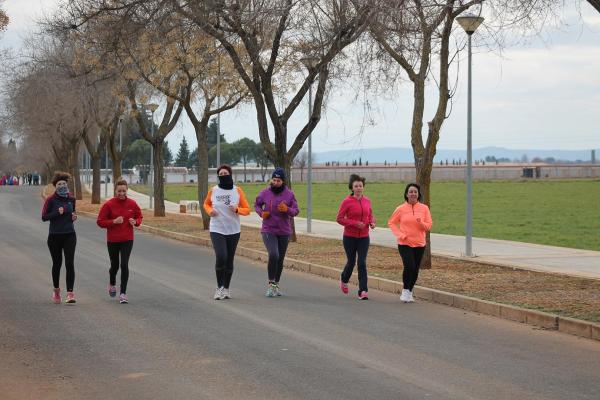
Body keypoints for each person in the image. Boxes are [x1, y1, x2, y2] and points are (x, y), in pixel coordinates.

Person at [203, 165, 251, 300]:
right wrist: (209, 211)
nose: (223, 175)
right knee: (221, 256)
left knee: (229, 259)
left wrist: (237, 209)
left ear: (230, 174)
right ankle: (219, 287)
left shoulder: (238, 191)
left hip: (233, 230)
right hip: (217, 228)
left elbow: (247, 209)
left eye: (225, 173)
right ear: (218, 176)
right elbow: (206, 204)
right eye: (221, 174)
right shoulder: (213, 190)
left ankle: (226, 289)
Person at [254, 167, 299, 297]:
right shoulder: (265, 193)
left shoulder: (289, 194)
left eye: (278, 180)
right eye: (274, 180)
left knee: (280, 259)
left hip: (284, 231)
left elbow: (296, 211)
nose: (276, 182)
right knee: (274, 255)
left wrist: (287, 209)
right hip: (268, 229)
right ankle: (271, 284)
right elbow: (256, 205)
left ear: (283, 181)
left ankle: (276, 285)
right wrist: (262, 213)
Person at [97, 179, 143, 304]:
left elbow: (139, 216)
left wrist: (136, 222)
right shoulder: (109, 205)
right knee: (115, 265)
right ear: (115, 191)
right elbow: (100, 221)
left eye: (123, 191)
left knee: (124, 265)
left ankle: (123, 293)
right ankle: (112, 283)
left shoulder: (132, 204)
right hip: (113, 240)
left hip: (127, 239)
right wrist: (113, 221)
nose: (121, 193)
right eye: (119, 191)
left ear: (127, 190)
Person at [388, 183, 433, 303]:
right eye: (410, 192)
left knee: (416, 268)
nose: (413, 194)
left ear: (418, 194)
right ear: (406, 194)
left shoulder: (424, 208)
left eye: (415, 192)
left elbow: (428, 226)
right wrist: (400, 235)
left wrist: (421, 223)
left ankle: (409, 292)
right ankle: (404, 290)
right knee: (409, 266)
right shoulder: (400, 209)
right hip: (404, 243)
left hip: (419, 243)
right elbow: (391, 223)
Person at [336, 174, 375, 300]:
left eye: (360, 186)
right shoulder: (346, 202)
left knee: (362, 262)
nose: (358, 188)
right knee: (351, 261)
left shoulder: (367, 201)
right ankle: (344, 278)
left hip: (364, 237)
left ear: (363, 187)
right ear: (352, 188)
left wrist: (372, 222)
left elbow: (370, 215)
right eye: (356, 186)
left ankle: (363, 290)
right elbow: (339, 219)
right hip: (350, 237)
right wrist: (354, 223)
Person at [41, 171, 78, 304]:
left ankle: (70, 293)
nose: (62, 185)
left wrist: (74, 217)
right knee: (57, 264)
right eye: (59, 184)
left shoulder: (71, 199)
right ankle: (56, 291)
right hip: (54, 237)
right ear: (55, 186)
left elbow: (72, 214)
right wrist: (57, 212)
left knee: (69, 263)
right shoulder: (50, 200)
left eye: (63, 183)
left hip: (69, 235)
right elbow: (44, 217)